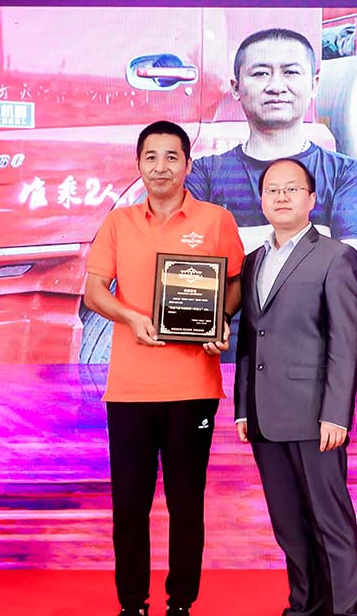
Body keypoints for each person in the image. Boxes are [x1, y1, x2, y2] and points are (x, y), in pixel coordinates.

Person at [84, 120, 244, 616]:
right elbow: (93, 291)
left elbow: (234, 284)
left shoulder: (216, 220)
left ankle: (181, 604)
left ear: (188, 165)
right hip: (129, 391)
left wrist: (221, 318)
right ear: (138, 164)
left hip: (193, 388)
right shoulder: (119, 223)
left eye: (171, 157)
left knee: (186, 503)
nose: (160, 167)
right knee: (130, 505)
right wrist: (130, 316)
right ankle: (132, 604)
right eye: (150, 157)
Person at [229, 157, 357, 616]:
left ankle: (345, 610)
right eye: (272, 190)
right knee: (288, 524)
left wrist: (336, 414)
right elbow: (250, 339)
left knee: (330, 520)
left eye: (292, 189)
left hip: (314, 415)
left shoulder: (336, 256)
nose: (282, 197)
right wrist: (243, 406)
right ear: (261, 201)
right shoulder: (253, 261)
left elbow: (346, 341)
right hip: (265, 415)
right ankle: (304, 607)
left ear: (311, 199)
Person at [186, 27, 357, 291]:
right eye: (260, 73)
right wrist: (316, 238)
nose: (276, 87)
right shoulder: (202, 177)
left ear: (314, 84)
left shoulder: (348, 176)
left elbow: (351, 279)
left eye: (290, 72)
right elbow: (182, 276)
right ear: (236, 87)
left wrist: (225, 246)